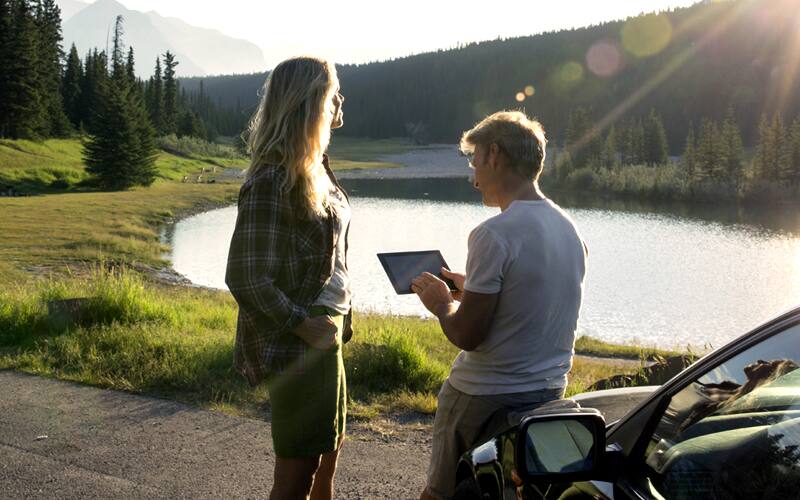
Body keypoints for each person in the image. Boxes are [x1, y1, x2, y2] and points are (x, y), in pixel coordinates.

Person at [411, 111, 588, 500]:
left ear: (494, 155)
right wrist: (470, 288)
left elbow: (467, 335)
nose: (472, 174)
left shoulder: (493, 233)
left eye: (474, 160)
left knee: (442, 493)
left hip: (482, 398)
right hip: (546, 394)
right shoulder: (569, 230)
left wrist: (442, 304)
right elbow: (531, 302)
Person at [225, 56, 350, 500]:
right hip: (301, 338)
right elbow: (245, 276)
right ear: (310, 102)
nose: (341, 100)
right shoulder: (273, 178)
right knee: (298, 470)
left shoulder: (316, 166)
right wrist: (302, 323)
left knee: (324, 458)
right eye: (333, 92)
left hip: (326, 328)